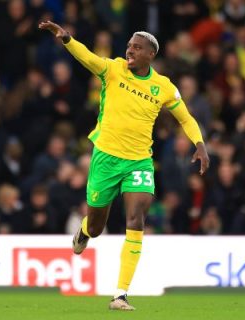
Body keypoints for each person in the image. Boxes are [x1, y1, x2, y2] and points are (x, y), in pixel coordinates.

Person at [39, 21, 209, 310]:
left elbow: (186, 118)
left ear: (150, 55)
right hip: (105, 158)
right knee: (96, 226)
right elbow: (89, 58)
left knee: (136, 219)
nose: (129, 49)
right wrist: (67, 39)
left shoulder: (163, 86)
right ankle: (84, 232)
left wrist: (200, 144)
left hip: (139, 161)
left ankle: (120, 294)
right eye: (129, 45)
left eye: (136, 47)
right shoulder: (114, 69)